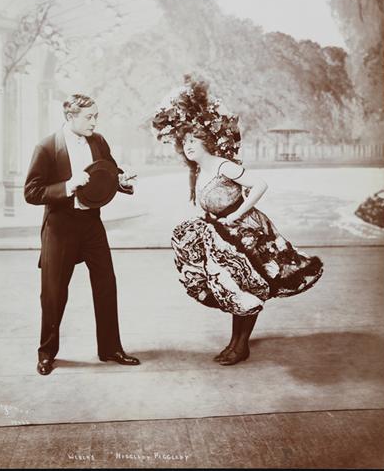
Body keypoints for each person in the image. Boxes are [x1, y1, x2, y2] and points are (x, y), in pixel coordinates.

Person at [152, 77, 324, 366]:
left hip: (247, 232)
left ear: (206, 142)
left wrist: (237, 214)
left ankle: (240, 345)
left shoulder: (222, 165)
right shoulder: (199, 171)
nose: (188, 146)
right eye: (185, 142)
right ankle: (235, 343)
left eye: (193, 141)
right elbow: (206, 205)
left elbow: (260, 184)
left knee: (249, 285)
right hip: (224, 235)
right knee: (234, 289)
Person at [24, 94, 140, 375]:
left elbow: (109, 173)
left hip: (91, 224)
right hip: (59, 226)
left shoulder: (98, 141)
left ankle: (110, 348)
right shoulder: (46, 147)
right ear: (70, 117)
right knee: (53, 293)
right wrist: (68, 186)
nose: (94, 122)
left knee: (106, 283)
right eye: (89, 117)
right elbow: (31, 192)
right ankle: (46, 354)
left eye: (96, 116)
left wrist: (121, 181)